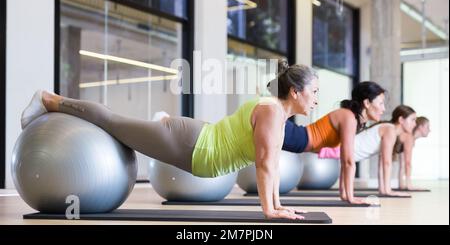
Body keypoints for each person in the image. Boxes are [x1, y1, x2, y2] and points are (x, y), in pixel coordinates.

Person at [20, 60, 319, 220]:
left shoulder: (276, 113)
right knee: (113, 122)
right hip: (193, 145)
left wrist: (279, 206)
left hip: (196, 141)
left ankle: (161, 123)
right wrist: (269, 210)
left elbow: (272, 167)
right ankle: (50, 99)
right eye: (314, 92)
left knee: (121, 125)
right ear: (295, 92)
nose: (316, 100)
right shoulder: (271, 113)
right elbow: (265, 166)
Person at [282, 81, 386, 204]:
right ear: (367, 103)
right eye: (381, 103)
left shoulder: (351, 118)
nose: (383, 109)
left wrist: (345, 194)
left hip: (297, 140)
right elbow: (348, 161)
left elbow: (344, 159)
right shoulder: (348, 117)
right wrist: (351, 197)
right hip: (295, 137)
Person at [318, 105, 418, 197]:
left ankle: (345, 193)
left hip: (343, 150)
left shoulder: (389, 129)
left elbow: (382, 163)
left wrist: (383, 190)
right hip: (336, 149)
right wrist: (388, 191)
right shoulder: (390, 130)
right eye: (413, 120)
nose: (415, 124)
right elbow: (386, 163)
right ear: (401, 120)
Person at [396, 117, 430, 190]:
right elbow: (407, 163)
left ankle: (402, 184)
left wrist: (401, 185)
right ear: (420, 127)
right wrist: (409, 185)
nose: (429, 130)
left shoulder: (409, 137)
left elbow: (402, 163)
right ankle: (407, 184)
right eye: (427, 127)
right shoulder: (409, 137)